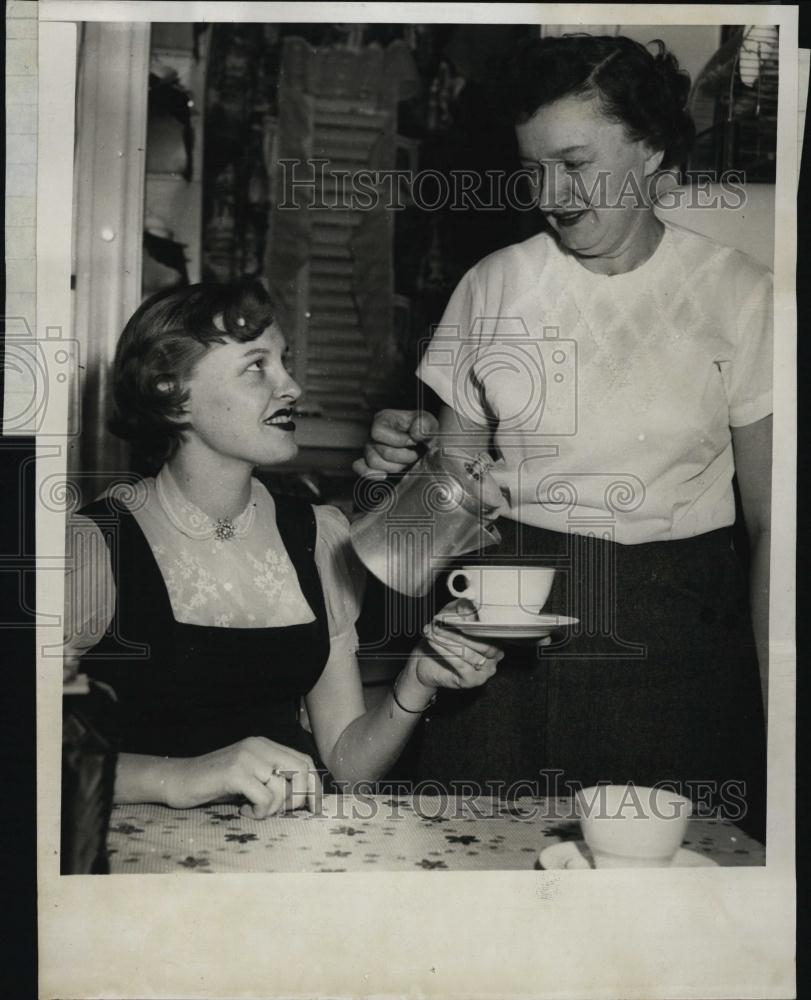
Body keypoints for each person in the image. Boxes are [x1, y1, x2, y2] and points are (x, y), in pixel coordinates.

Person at [355, 35, 770, 840]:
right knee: (481, 868)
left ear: (651, 150)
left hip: (674, 638)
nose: (549, 194)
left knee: (662, 884)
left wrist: (776, 705)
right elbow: (422, 537)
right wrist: (394, 474)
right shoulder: (494, 283)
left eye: (574, 163)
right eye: (532, 168)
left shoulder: (740, 296)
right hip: (505, 633)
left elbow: (774, 529)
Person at [63, 280, 505, 819]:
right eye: (257, 366)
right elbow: (26, 751)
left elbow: (347, 767)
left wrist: (417, 678)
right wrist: (182, 776)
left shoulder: (317, 535)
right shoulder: (93, 548)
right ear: (172, 394)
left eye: (285, 362)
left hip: (282, 849)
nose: (292, 386)